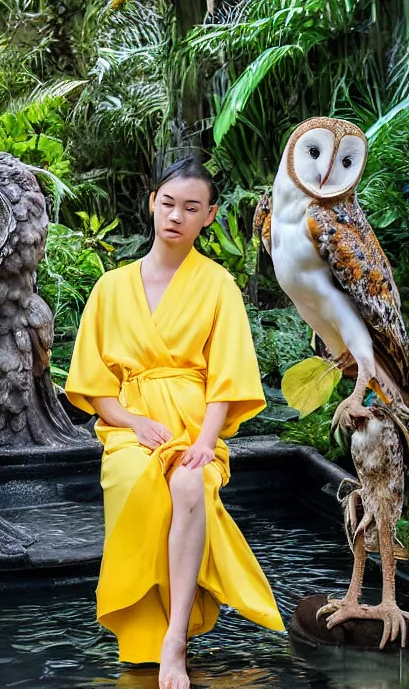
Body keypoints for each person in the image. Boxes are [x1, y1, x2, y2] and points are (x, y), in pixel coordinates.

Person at [65, 157, 285, 689]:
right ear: (152, 204)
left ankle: (174, 642)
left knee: (189, 483)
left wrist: (207, 444)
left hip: (193, 424)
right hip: (129, 427)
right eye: (168, 204)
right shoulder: (110, 288)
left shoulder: (218, 286)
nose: (176, 216)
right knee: (134, 482)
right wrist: (132, 423)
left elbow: (227, 379)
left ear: (208, 216)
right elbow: (95, 386)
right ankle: (143, 629)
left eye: (191, 208)